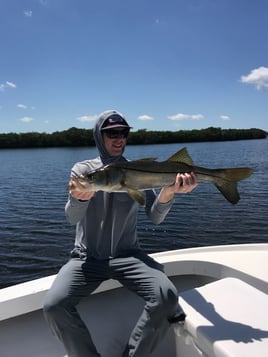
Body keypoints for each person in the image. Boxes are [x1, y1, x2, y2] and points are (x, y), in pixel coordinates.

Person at [43, 110, 198, 357]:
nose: (118, 139)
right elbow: (72, 218)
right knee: (54, 305)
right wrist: (80, 200)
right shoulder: (84, 171)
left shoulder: (136, 171)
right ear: (98, 135)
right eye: (111, 133)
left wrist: (168, 195)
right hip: (86, 259)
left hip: (128, 256)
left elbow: (155, 218)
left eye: (123, 133)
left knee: (166, 296)